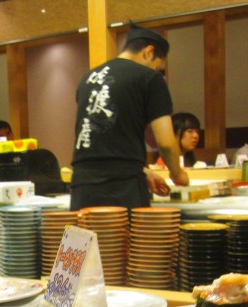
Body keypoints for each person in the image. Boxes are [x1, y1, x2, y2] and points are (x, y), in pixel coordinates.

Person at [70, 24, 189, 211]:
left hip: (82, 184)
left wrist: (143, 171)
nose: (156, 70)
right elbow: (165, 143)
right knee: (125, 231)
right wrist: (177, 174)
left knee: (83, 230)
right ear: (148, 52)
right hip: (123, 187)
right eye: (158, 65)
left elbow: (105, 141)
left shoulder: (87, 78)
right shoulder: (149, 78)